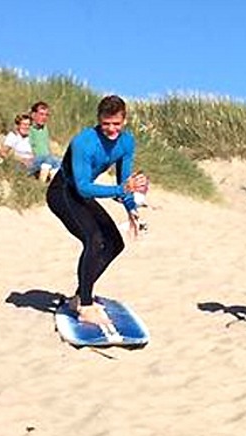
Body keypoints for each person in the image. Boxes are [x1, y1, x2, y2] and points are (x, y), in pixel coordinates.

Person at [47, 95, 146, 326]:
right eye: (106, 124)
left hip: (83, 193)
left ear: (125, 120)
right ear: (99, 120)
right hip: (63, 192)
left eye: (116, 124)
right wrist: (120, 189)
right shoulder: (83, 142)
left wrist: (131, 208)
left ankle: (80, 296)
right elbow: (82, 186)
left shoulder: (126, 142)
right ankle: (85, 304)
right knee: (94, 239)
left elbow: (124, 181)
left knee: (115, 244)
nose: (111, 129)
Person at [0, 113, 60, 181]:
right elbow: (3, 153)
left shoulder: (30, 136)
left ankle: (47, 180)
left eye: (29, 125)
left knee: (54, 160)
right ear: (18, 125)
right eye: (24, 124)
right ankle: (46, 180)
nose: (27, 127)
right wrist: (21, 159)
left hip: (33, 162)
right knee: (50, 159)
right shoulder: (13, 136)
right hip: (21, 165)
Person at [29, 101, 63, 181]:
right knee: (50, 159)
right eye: (41, 114)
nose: (44, 117)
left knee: (61, 161)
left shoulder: (44, 129)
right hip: (33, 160)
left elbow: (46, 148)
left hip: (45, 160)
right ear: (33, 115)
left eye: (46, 115)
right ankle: (41, 183)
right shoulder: (29, 128)